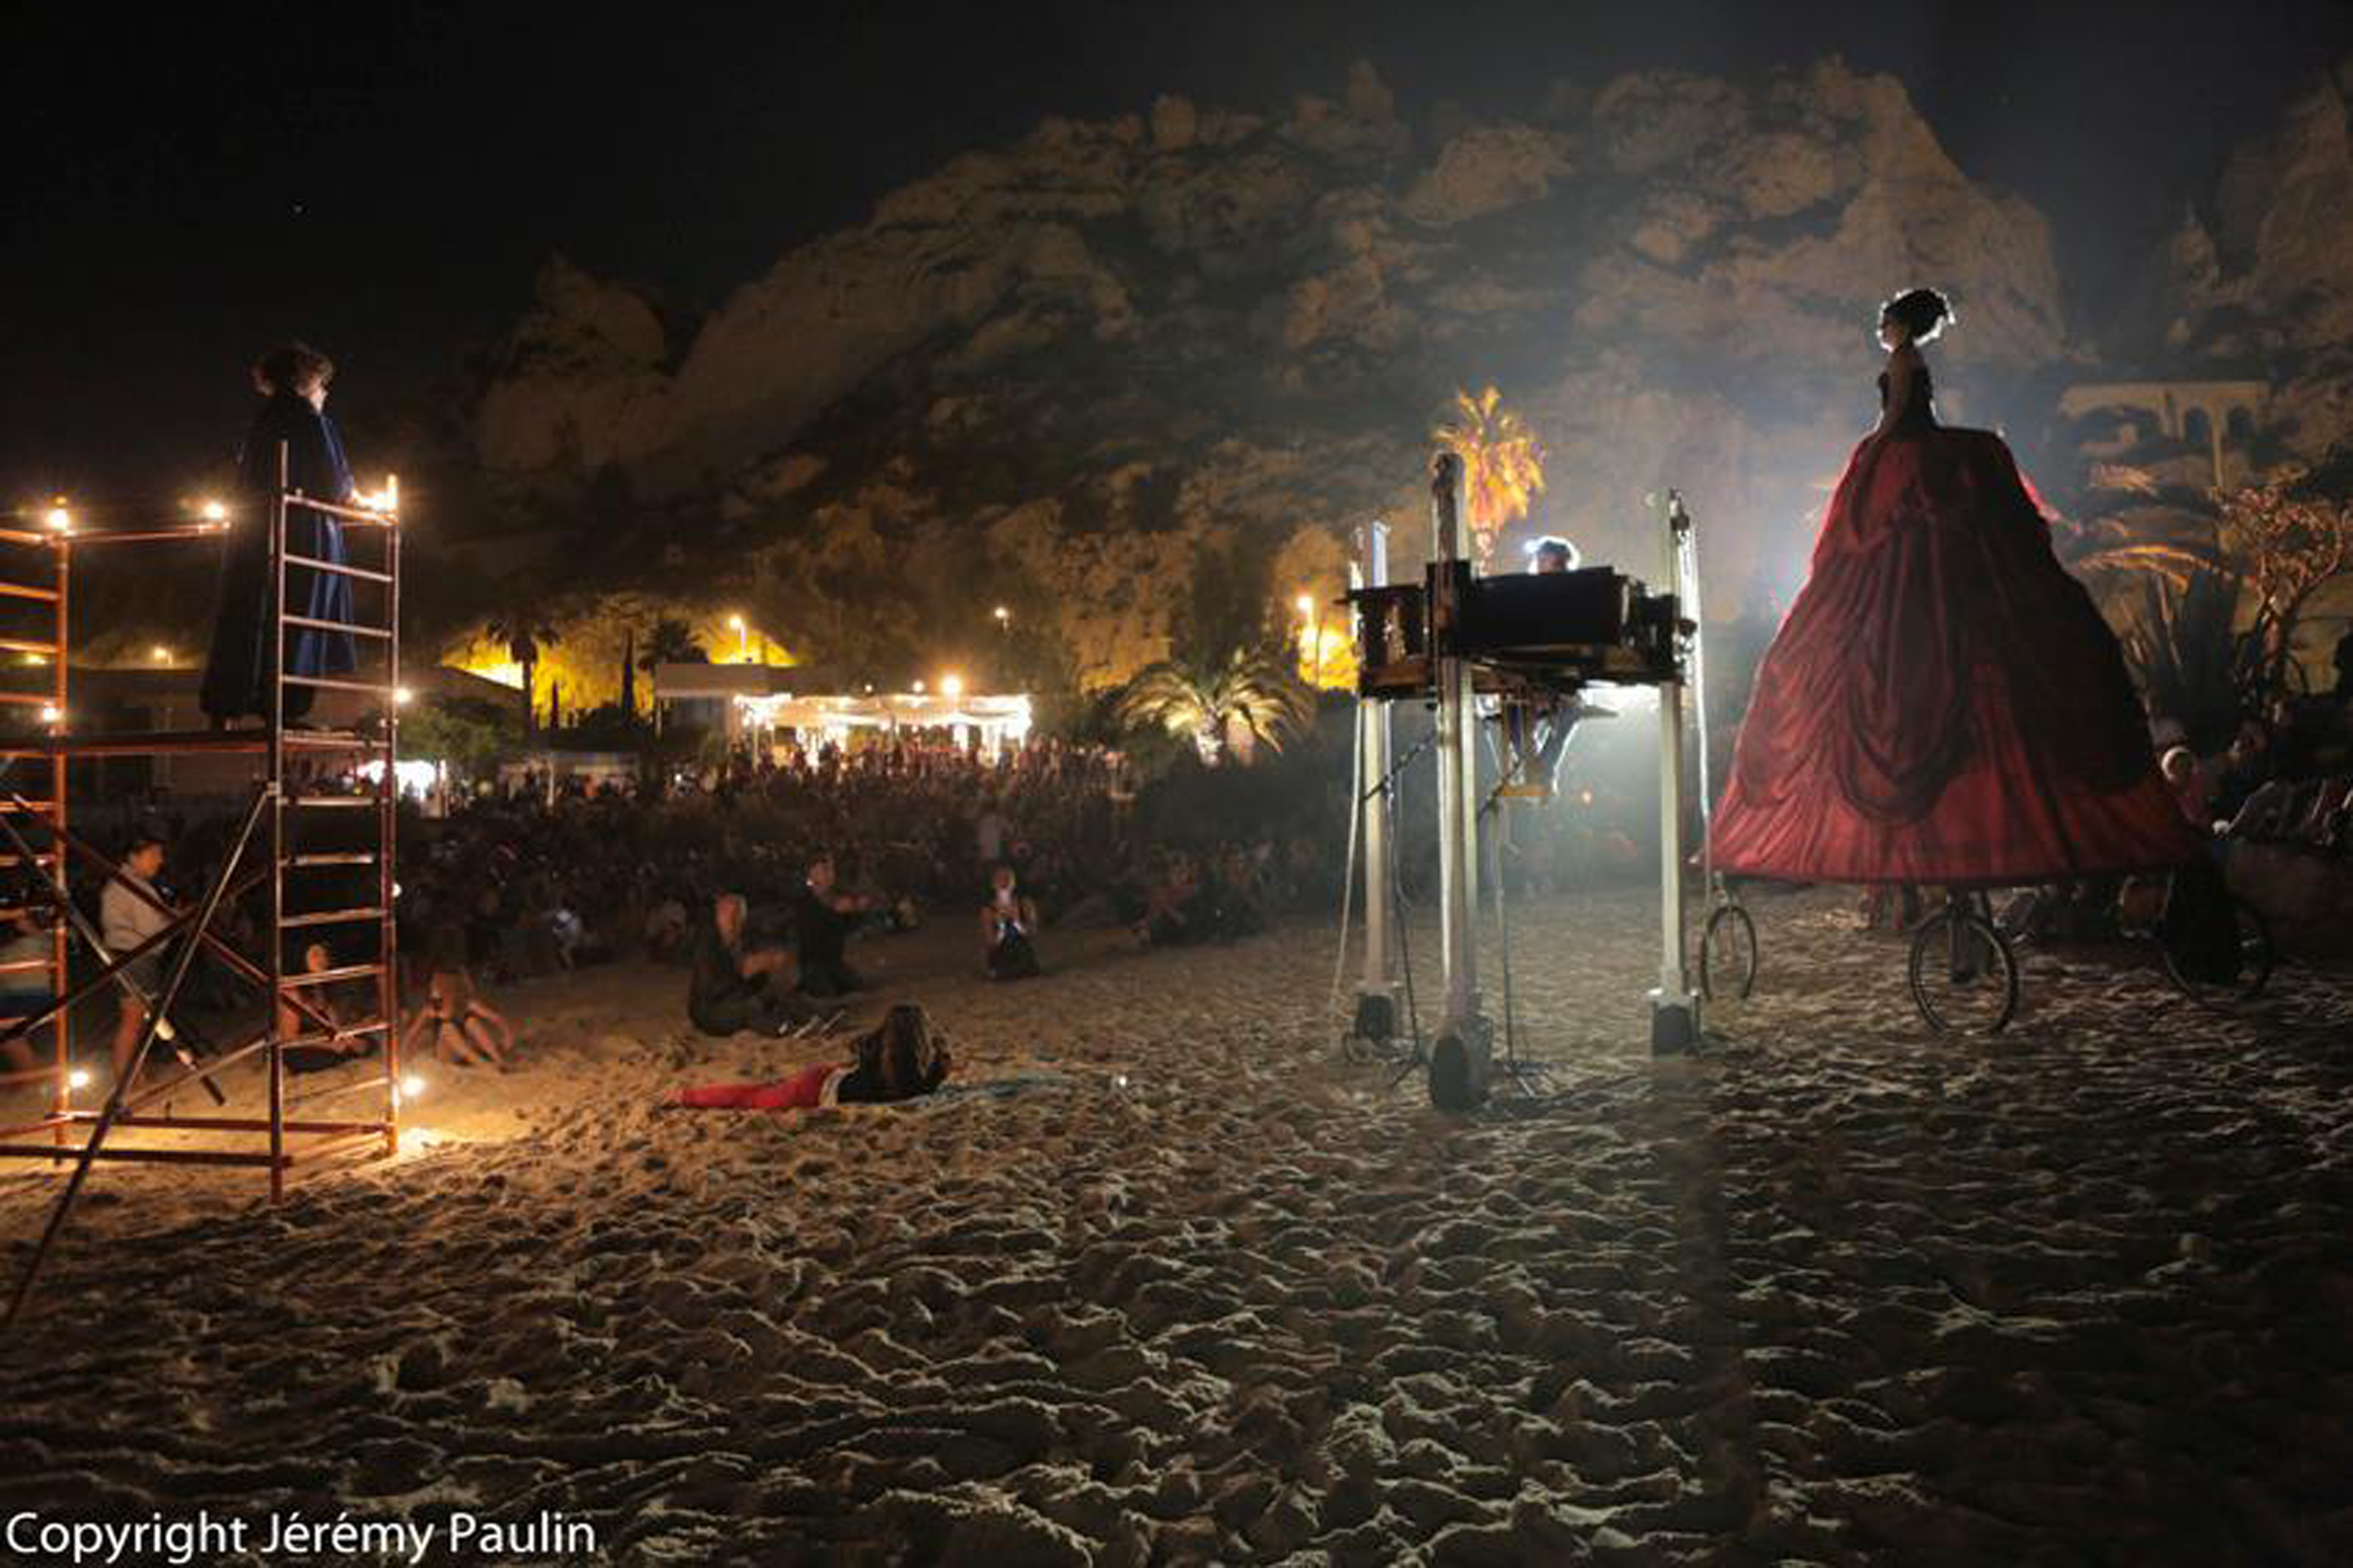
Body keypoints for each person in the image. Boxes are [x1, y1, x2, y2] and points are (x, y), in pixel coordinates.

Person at [1710, 289, 2201, 886]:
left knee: (1892, 580)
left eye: (1884, 318)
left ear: (1899, 324)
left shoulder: (1902, 361)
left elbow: (1894, 420)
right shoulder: (1911, 360)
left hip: (1909, 460)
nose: (1880, 326)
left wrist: (1870, 455)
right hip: (1925, 458)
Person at [200, 341, 359, 728]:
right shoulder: (312, 420)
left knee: (248, 613)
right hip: (305, 533)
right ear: (308, 380)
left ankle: (227, 705)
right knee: (300, 617)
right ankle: (284, 708)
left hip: (254, 531)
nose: (325, 392)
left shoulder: (264, 421)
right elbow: (333, 483)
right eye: (322, 382)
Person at [666, 1002, 952, 1112]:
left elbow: (860, 1048)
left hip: (826, 1079)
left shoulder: (887, 1059)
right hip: (816, 1089)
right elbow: (926, 1082)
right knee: (751, 1098)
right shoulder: (921, 1077)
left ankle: (684, 1095)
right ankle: (685, 1097)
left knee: (758, 1092)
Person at [99, 833, 173, 1089]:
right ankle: (126, 1078)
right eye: (154, 855)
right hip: (133, 957)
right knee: (132, 1019)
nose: (159, 861)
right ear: (134, 857)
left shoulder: (124, 883)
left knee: (137, 1019)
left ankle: (132, 1074)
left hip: (128, 955)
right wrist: (176, 918)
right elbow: (152, 928)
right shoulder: (131, 885)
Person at [688, 893, 813, 1036]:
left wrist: (767, 965)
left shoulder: (742, 941)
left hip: (735, 1005)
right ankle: (787, 1027)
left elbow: (758, 974)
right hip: (711, 1012)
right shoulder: (708, 944)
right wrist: (743, 971)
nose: (731, 921)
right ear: (717, 914)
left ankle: (804, 1019)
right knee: (752, 1006)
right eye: (725, 914)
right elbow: (711, 988)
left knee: (769, 998)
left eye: (736, 915)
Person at [793, 856, 876, 999]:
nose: (830, 875)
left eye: (831, 870)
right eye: (825, 870)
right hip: (814, 965)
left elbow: (847, 928)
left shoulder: (831, 896)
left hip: (834, 962)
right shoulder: (804, 900)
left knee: (860, 990)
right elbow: (811, 935)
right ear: (812, 874)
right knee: (828, 996)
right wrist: (834, 911)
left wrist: (858, 911)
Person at [978, 864, 1042, 980]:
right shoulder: (988, 909)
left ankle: (1001, 974)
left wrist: (1016, 921)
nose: (1004, 883)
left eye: (1008, 879)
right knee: (1008, 965)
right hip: (1000, 952)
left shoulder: (1025, 903)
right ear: (993, 884)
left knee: (1025, 962)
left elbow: (1032, 933)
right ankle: (1001, 973)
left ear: (1014, 883)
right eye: (1000, 879)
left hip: (1021, 950)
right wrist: (1001, 926)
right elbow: (991, 942)